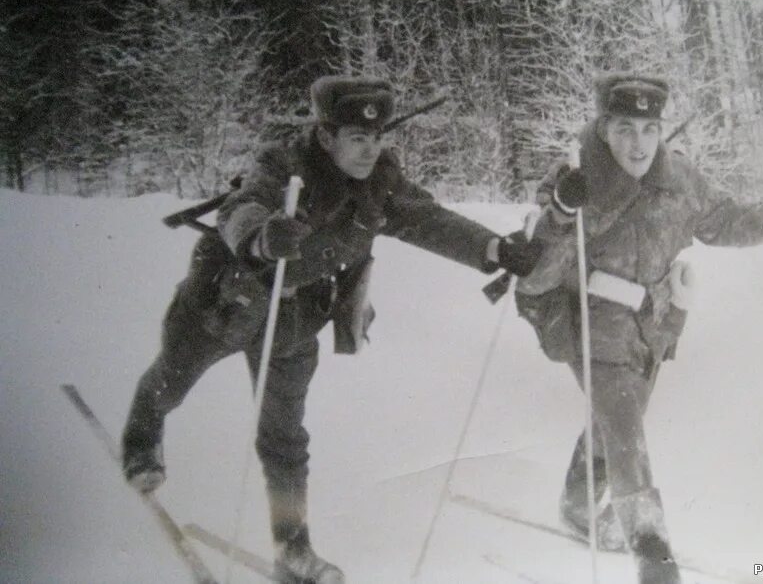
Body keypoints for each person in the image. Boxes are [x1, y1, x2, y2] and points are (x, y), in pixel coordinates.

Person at [120, 76, 543, 584]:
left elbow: (429, 220)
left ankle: (293, 548)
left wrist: (495, 249)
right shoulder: (286, 164)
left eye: (377, 137)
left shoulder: (380, 180)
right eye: (356, 138)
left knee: (284, 435)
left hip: (295, 319)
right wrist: (261, 236)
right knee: (173, 378)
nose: (370, 150)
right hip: (227, 300)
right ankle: (142, 435)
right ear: (326, 137)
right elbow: (241, 206)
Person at [515, 73, 763, 584]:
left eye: (649, 129)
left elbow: (726, 221)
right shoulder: (573, 176)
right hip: (590, 325)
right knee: (627, 432)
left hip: (653, 326)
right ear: (604, 127)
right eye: (625, 128)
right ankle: (655, 559)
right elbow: (537, 270)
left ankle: (578, 506)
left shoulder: (680, 178)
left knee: (617, 420)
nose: (638, 143)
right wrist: (563, 212)